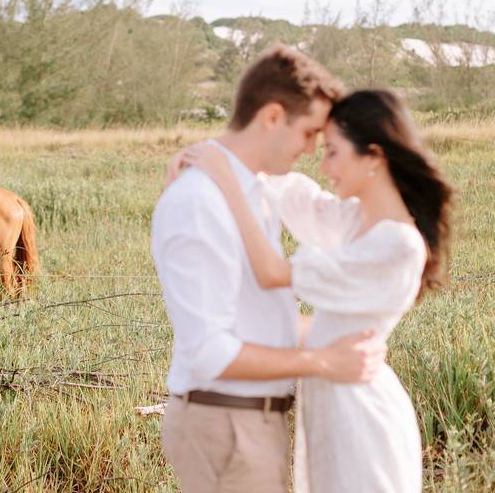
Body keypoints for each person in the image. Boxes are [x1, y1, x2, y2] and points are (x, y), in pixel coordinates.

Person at [170, 88, 454, 492]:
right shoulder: (354, 220)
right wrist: (214, 156)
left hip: (361, 410)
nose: (323, 165)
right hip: (334, 399)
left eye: (333, 152)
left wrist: (224, 180)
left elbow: (271, 272)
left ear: (373, 156)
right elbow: (289, 193)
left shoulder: (398, 245)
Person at [150, 44, 388, 493]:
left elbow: (259, 317)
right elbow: (210, 352)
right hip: (224, 426)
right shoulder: (200, 202)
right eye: (309, 132)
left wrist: (342, 340)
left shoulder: (256, 193)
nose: (314, 147)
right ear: (273, 116)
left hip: (248, 423)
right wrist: (323, 361)